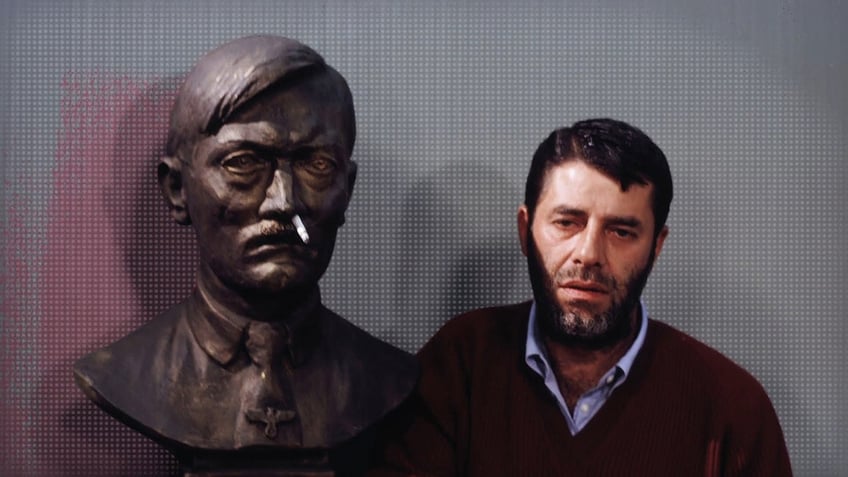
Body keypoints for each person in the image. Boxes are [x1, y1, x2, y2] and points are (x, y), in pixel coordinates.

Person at [370, 118, 792, 476]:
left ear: (656, 247)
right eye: (568, 222)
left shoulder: (732, 410)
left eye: (621, 231)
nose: (589, 254)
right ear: (525, 230)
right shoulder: (460, 363)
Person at [74, 35, 416, 475]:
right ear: (177, 190)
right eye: (243, 164)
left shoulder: (385, 379)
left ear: (346, 190)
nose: (283, 202)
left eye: (316, 166)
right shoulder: (124, 376)